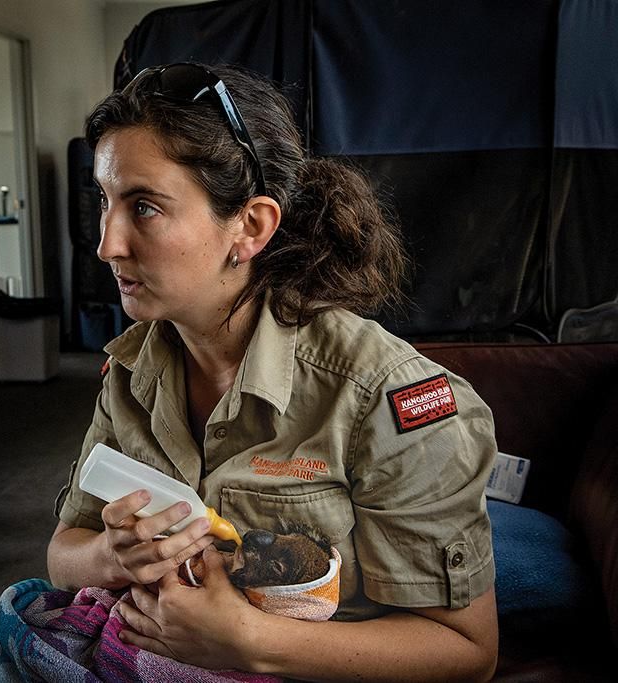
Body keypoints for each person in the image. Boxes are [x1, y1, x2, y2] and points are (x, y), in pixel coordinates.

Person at [46, 63, 499, 680]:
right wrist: (111, 553)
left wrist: (249, 640)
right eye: (104, 200)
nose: (107, 244)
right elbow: (63, 553)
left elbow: (467, 650)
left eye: (144, 207)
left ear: (250, 227)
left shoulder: (381, 396)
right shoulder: (133, 370)